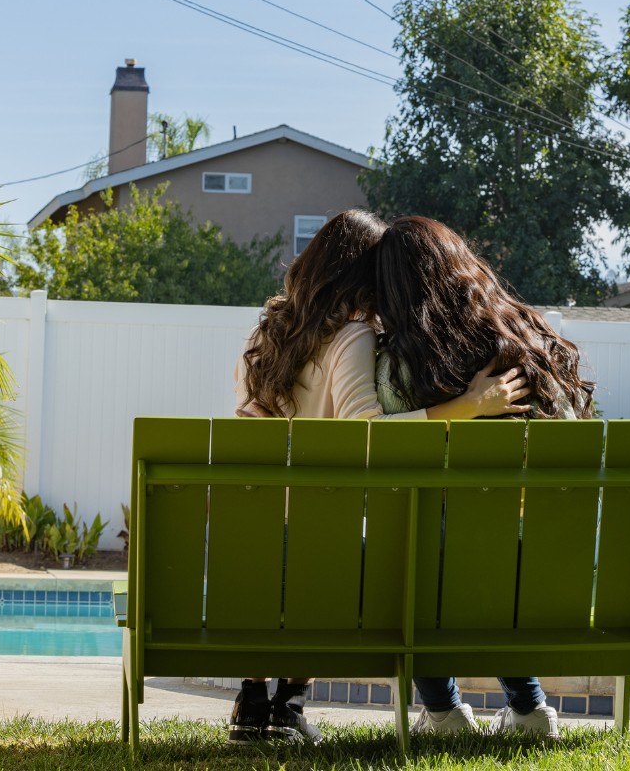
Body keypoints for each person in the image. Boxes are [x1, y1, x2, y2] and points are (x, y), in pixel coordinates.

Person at [229, 210, 530, 744]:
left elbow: (250, 425)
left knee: (291, 549)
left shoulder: (266, 335)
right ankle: (289, 704)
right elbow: (368, 432)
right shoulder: (353, 337)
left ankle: (253, 703)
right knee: (366, 547)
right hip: (327, 532)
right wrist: (469, 405)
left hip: (257, 527)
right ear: (359, 277)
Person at [373, 215, 596, 740]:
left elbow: (389, 453)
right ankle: (529, 709)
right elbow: (571, 444)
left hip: (438, 568)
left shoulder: (397, 365)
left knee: (416, 550)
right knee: (494, 548)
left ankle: (443, 712)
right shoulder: (526, 343)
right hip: (536, 555)